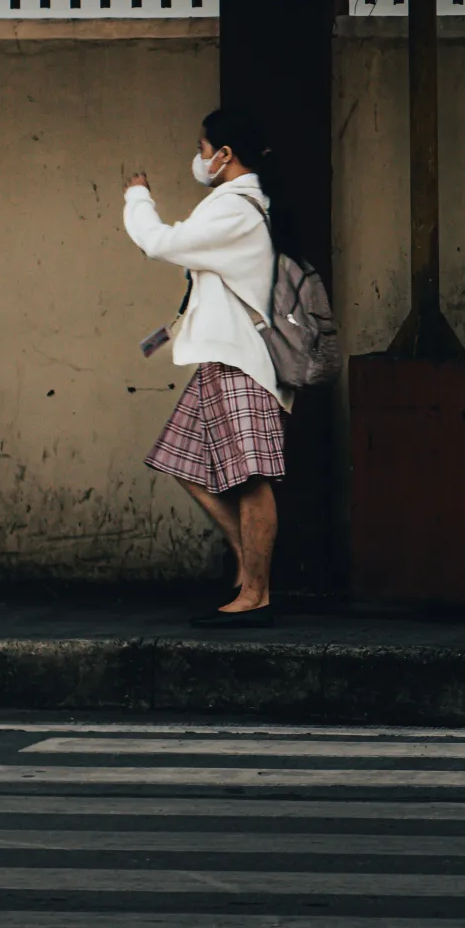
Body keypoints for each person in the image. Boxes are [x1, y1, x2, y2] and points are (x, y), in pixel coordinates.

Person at [123, 110, 290, 629]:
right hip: (222, 357)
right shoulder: (234, 205)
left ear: (224, 154)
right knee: (183, 460)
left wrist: (137, 197)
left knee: (251, 479)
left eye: (202, 148)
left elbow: (159, 243)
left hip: (242, 360)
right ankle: (248, 563)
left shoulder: (236, 208)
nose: (199, 159)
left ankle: (256, 595)